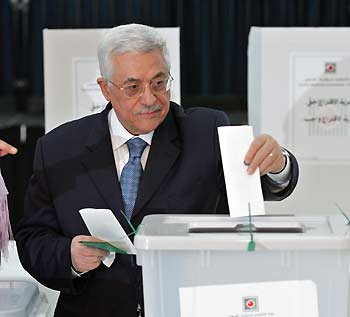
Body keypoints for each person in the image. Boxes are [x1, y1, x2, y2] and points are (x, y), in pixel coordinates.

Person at [15, 24, 298, 317]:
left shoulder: (207, 131)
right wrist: (69, 258)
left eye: (159, 83)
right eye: (133, 87)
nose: (149, 99)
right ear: (105, 88)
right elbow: (33, 238)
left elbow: (262, 184)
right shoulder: (60, 148)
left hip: (187, 307)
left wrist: (279, 165)